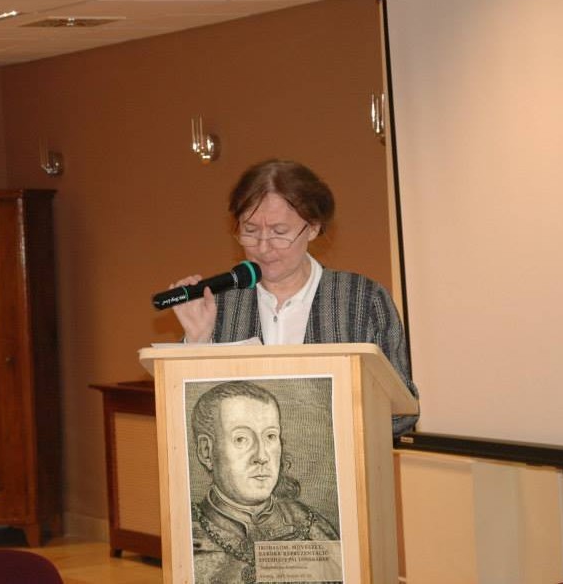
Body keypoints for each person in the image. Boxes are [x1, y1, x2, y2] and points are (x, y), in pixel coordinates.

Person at [170, 159, 419, 435]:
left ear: (312, 228)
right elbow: (189, 416)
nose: (263, 247)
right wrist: (197, 341)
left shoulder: (363, 300)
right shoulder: (221, 304)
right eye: (250, 231)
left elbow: (402, 413)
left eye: (279, 232)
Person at [190, 380, 340, 584]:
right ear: (206, 451)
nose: (261, 456)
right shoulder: (189, 536)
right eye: (241, 439)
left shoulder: (313, 527)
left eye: (270, 436)